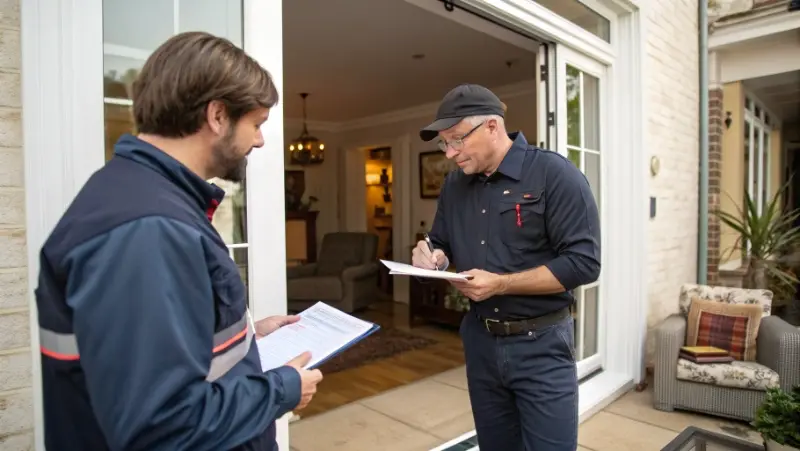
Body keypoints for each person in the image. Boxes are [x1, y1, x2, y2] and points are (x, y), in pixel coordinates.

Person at [35, 32, 322, 451]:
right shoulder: (147, 228)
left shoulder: (144, 200)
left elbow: (165, 353)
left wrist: (246, 339)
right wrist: (282, 388)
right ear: (218, 116)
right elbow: (162, 426)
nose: (260, 140)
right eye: (257, 124)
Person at [411, 84, 601, 451]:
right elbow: (441, 243)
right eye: (444, 144)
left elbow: (584, 263)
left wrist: (500, 284)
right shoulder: (454, 186)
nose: (450, 153)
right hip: (480, 343)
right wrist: (431, 257)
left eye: (457, 140)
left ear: (492, 127)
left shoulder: (554, 174)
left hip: (542, 345)